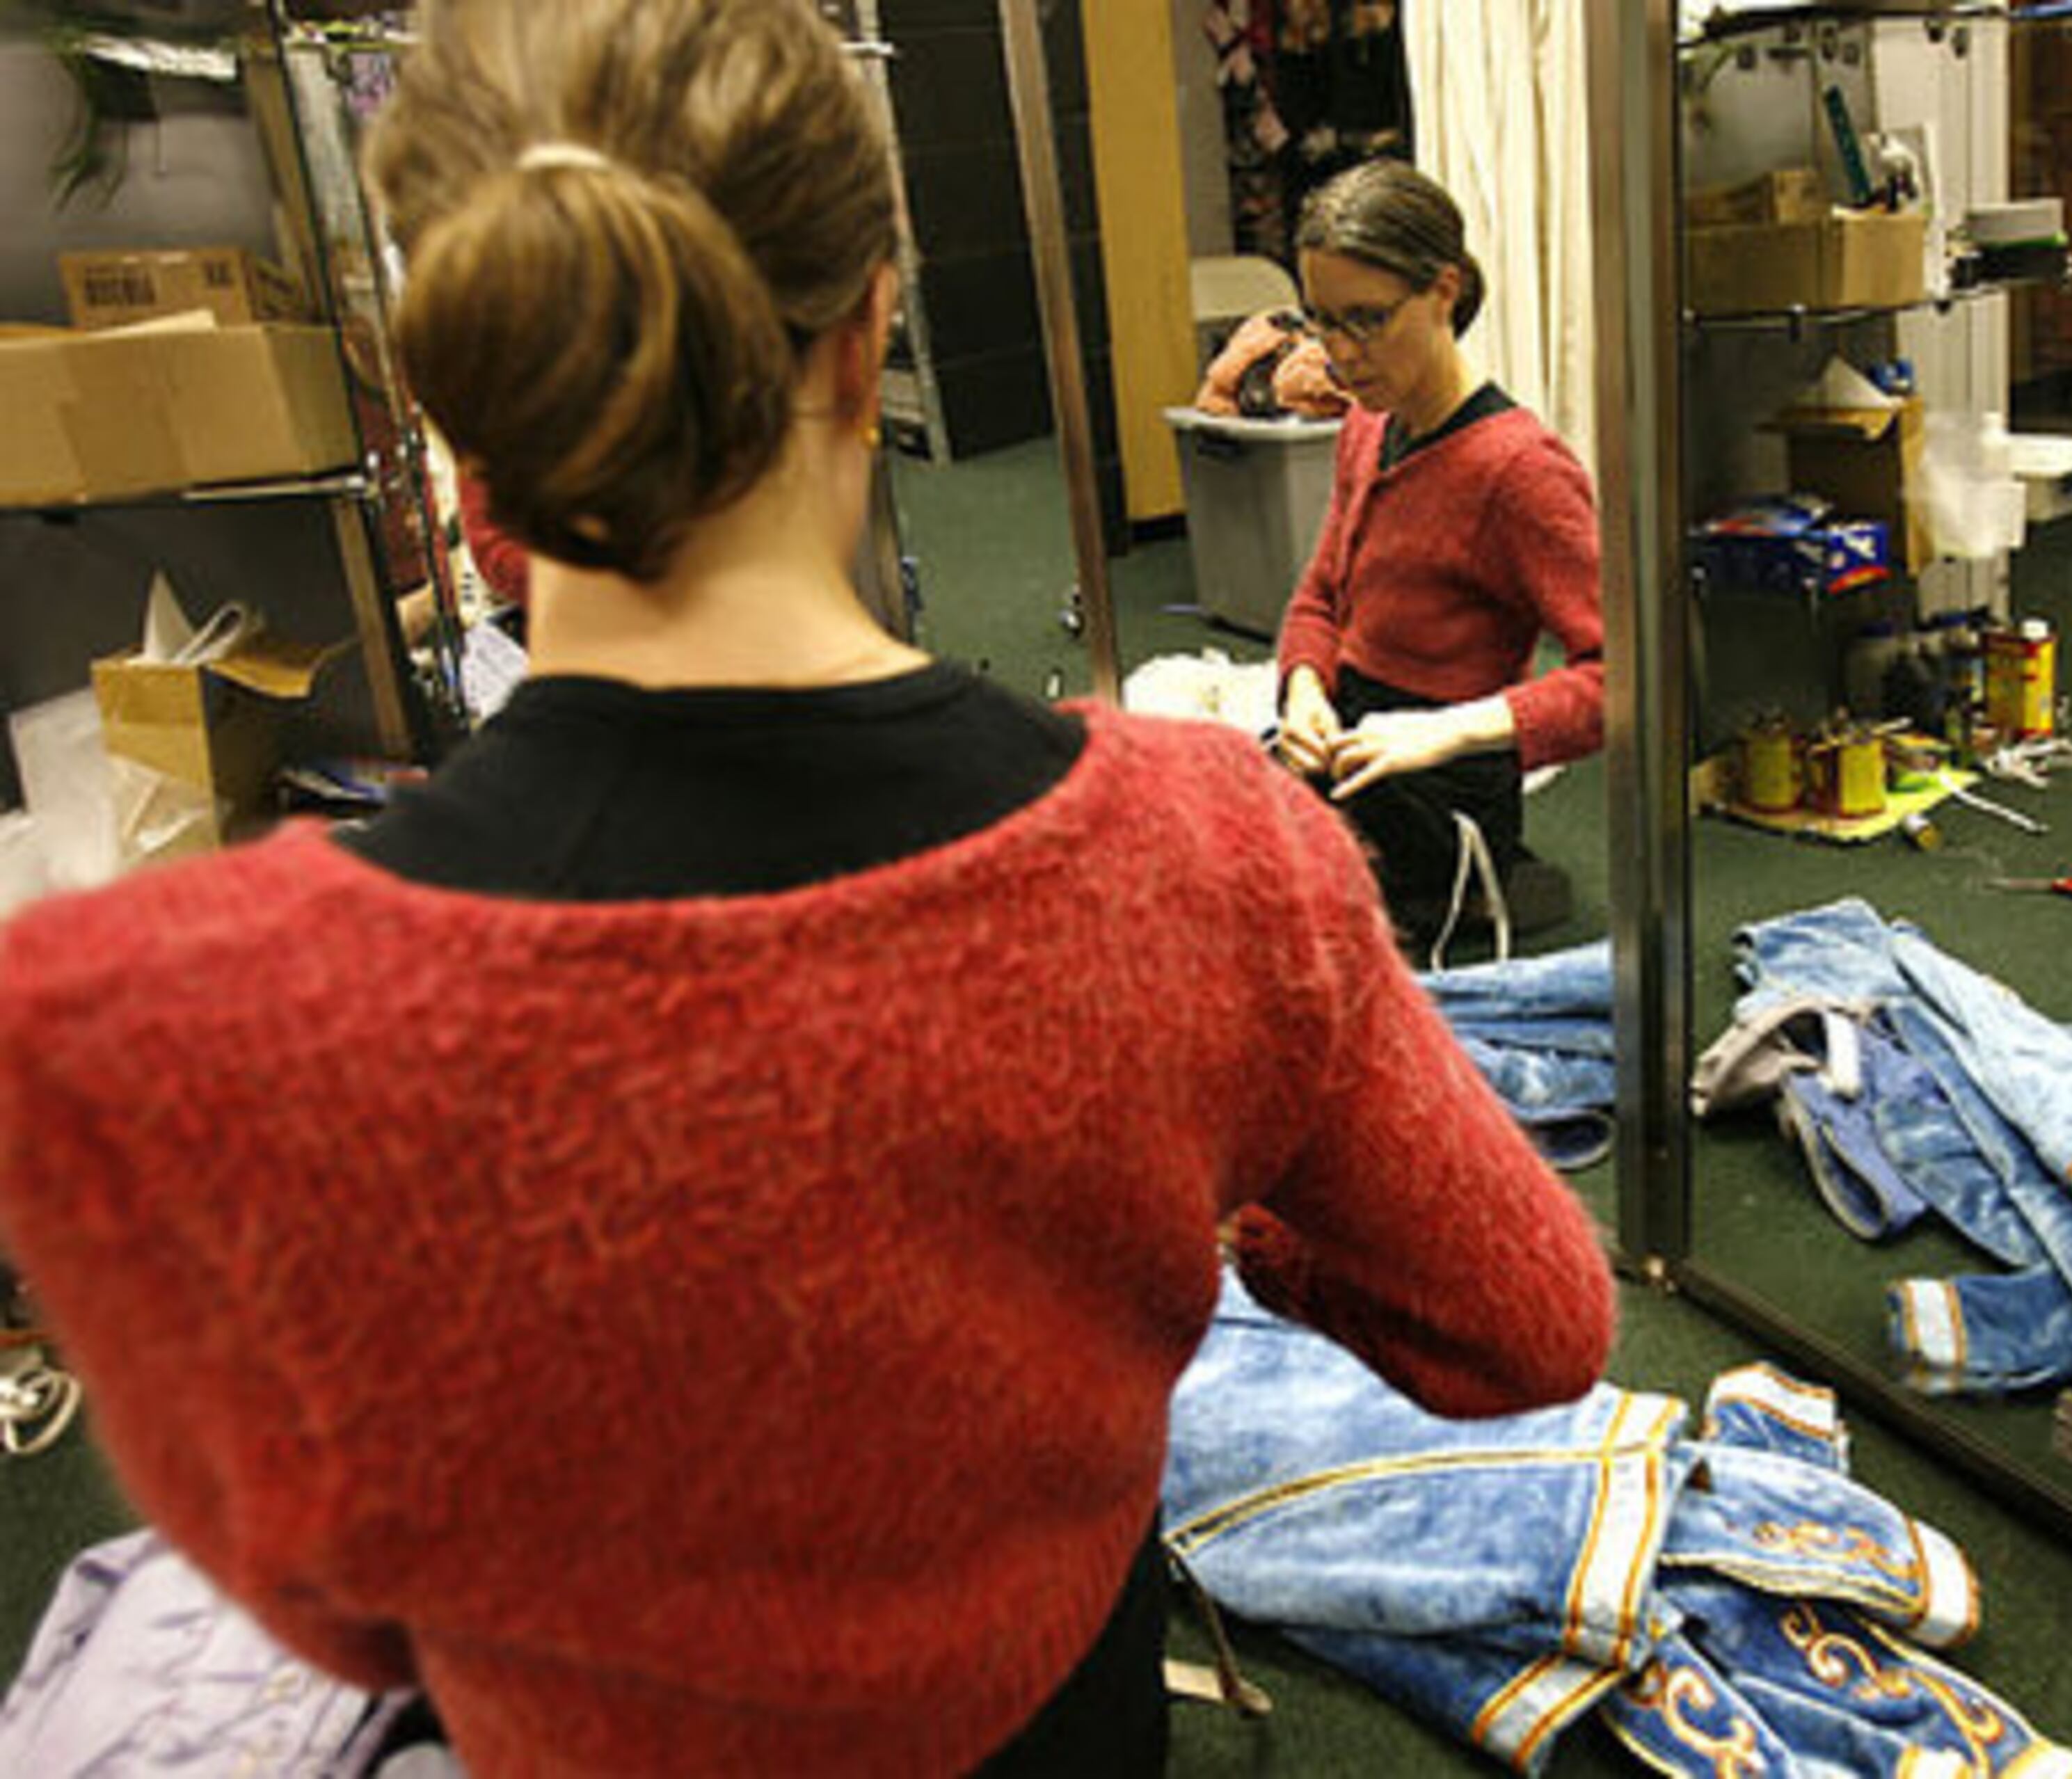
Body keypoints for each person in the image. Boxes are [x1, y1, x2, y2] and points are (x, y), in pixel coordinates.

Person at [0, 4, 1617, 1776]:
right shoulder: (1217, 866)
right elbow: (1528, 1325)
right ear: (869, 336)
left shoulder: (142, 1024)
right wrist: (1208, 1204)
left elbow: (330, 1603)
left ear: (461, 436)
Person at [1272, 159, 1605, 951]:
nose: (1341, 353)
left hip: (1441, 785)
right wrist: (1304, 689)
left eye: (1368, 319)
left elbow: (1623, 680)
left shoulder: (1520, 470)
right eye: (1322, 319)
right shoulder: (1367, 420)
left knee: (1291, 941)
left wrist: (1450, 731)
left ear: (1444, 291)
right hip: (1353, 737)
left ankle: (1479, 889)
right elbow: (1323, 591)